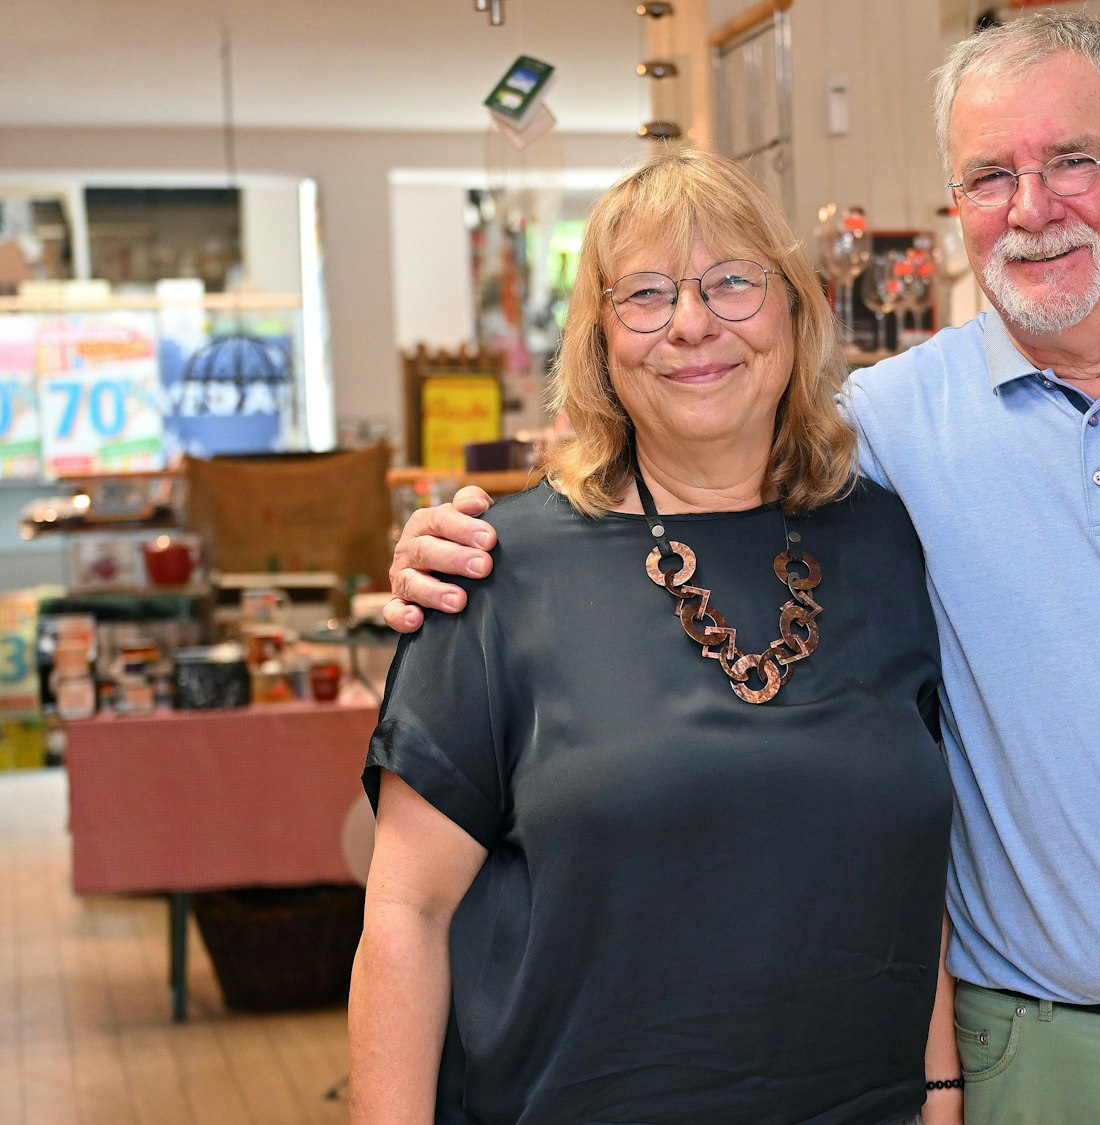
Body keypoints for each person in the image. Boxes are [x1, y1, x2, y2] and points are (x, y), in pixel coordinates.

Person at [385, 14, 1100, 1124]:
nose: (1031, 209)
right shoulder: (880, 432)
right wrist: (471, 537)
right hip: (1037, 1064)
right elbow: (691, 421)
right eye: (988, 176)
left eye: (1072, 160)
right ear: (956, 206)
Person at [351, 147, 958, 1125]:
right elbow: (404, 916)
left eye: (731, 283)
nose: (690, 324)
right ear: (598, 345)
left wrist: (940, 1092)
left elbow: (914, 872)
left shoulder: (887, 543)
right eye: (642, 295)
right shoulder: (493, 574)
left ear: (794, 313)